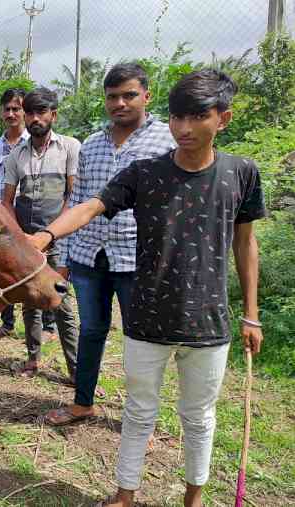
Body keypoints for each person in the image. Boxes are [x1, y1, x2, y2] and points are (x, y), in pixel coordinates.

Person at [33, 69, 265, 507]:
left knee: (199, 418)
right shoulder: (145, 173)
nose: (183, 128)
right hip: (147, 317)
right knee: (139, 413)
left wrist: (251, 314)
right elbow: (91, 207)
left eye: (197, 117)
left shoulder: (241, 174)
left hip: (209, 321)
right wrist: (44, 238)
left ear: (223, 119)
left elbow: (245, 243)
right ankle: (125, 495)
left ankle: (192, 499)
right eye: (177, 117)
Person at [45, 63, 177, 425]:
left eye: (129, 95)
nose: (120, 103)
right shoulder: (92, 144)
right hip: (91, 256)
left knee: (141, 342)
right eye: (112, 97)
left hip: (138, 259)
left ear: (146, 96)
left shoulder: (167, 141)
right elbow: (81, 200)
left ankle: (140, 421)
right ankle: (82, 402)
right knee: (91, 331)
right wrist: (68, 255)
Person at [1, 87, 80, 380]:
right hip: (26, 240)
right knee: (30, 301)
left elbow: (74, 197)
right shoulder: (16, 156)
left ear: (53, 115)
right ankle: (33, 360)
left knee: (62, 303)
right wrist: (20, 237)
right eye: (30, 112)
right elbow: (7, 201)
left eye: (41, 112)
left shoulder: (70, 148)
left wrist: (52, 234)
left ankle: (76, 370)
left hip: (58, 239)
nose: (35, 118)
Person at [0, 87, 29, 341]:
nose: (11, 113)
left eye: (16, 108)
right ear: (2, 112)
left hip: (29, 215)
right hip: (2, 217)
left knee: (34, 266)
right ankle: (7, 323)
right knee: (4, 268)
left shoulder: (34, 142)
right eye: (7, 109)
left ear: (24, 111)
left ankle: (46, 326)